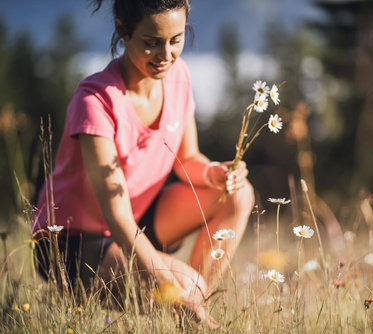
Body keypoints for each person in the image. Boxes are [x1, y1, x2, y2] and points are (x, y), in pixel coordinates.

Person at [32, 0, 254, 326]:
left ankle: (192, 311)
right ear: (123, 30)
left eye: (175, 40)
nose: (165, 55)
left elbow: (188, 160)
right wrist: (163, 278)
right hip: (70, 239)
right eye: (151, 43)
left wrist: (213, 173)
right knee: (184, 285)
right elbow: (116, 214)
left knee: (241, 193)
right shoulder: (94, 101)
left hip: (139, 219)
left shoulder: (179, 77)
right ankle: (188, 309)